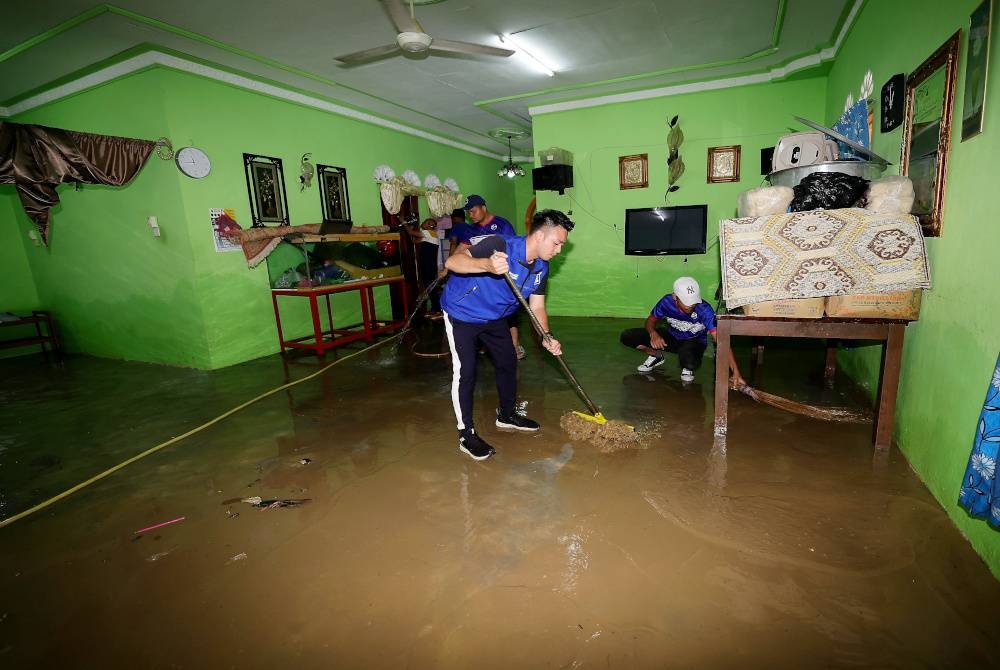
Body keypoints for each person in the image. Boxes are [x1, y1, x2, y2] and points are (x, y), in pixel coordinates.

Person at [441, 209, 574, 461]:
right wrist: (486, 265)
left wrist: (548, 337)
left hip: (495, 317)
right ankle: (466, 434)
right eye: (557, 243)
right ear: (538, 236)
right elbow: (453, 262)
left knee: (508, 361)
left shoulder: (542, 268)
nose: (559, 250)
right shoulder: (499, 243)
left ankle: (506, 414)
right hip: (463, 313)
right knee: (466, 372)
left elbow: (537, 307)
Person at [619, 277, 745, 385]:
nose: (691, 305)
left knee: (689, 362)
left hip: (694, 341)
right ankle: (656, 356)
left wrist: (736, 372)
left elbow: (722, 341)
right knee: (628, 336)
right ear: (675, 297)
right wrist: (653, 334)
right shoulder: (666, 302)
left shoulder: (704, 310)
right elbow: (650, 321)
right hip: (671, 337)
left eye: (693, 301)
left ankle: (687, 365)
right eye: (686, 301)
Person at [453, 195, 527, 359]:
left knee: (508, 313)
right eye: (468, 213)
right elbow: (461, 249)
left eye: (473, 211)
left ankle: (514, 346)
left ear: (483, 208)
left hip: (502, 276)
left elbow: (512, 248)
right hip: (482, 277)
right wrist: (449, 265)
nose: (471, 215)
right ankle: (491, 344)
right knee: (487, 311)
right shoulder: (471, 230)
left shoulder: (502, 224)